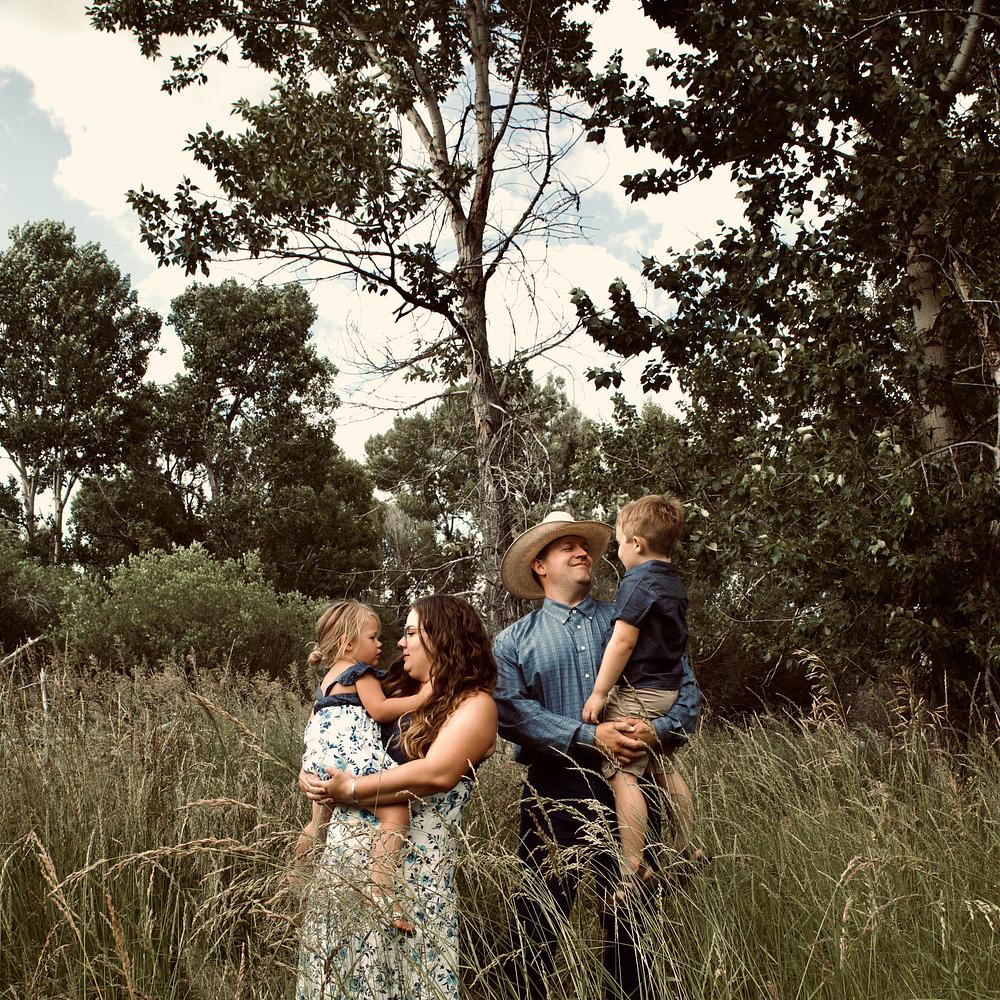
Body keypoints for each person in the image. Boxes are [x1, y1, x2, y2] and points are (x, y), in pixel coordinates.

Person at [494, 510, 701, 1000]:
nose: (581, 551)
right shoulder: (512, 642)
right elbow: (512, 714)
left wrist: (656, 730)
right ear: (540, 566)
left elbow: (686, 689)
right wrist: (589, 736)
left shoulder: (630, 612)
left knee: (633, 926)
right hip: (554, 789)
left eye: (583, 544)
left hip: (634, 785)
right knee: (537, 920)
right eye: (566, 546)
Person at [296, 594, 497, 1000]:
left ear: (442, 638)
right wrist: (309, 773)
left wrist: (351, 789)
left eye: (410, 633)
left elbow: (437, 773)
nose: (399, 643)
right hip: (345, 872)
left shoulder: (474, 706)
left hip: (414, 887)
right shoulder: (384, 691)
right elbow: (328, 729)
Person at [580, 494, 699, 890]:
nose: (618, 552)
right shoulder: (673, 582)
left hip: (639, 691)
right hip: (667, 691)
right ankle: (687, 845)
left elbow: (623, 641)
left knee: (623, 775)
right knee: (664, 767)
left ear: (637, 544)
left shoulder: (638, 581)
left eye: (618, 543)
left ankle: (633, 866)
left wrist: (600, 692)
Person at [295, 599, 431, 932]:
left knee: (318, 821)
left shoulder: (326, 681)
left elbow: (313, 723)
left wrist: (308, 768)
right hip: (351, 760)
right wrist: (424, 697)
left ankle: (295, 875)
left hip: (321, 761)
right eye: (373, 637)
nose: (380, 644)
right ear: (348, 643)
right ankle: (381, 892)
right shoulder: (360, 673)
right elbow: (380, 710)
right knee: (395, 813)